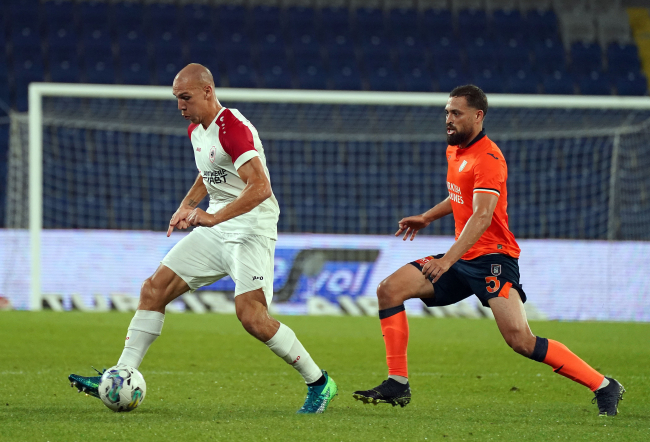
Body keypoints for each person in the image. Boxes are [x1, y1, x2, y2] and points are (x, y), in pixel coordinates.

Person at [69, 63, 338, 414]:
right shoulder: (196, 130)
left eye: (186, 97)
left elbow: (260, 187)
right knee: (154, 289)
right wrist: (187, 205)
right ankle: (121, 375)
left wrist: (211, 216)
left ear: (208, 92)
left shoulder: (233, 128)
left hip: (250, 230)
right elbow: (208, 172)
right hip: (218, 229)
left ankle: (319, 382)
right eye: (176, 98)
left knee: (252, 317)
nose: (180, 105)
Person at [352, 85, 625, 416]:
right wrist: (427, 217)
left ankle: (604, 385)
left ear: (478, 115)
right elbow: (460, 196)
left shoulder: (489, 158)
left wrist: (447, 259)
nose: (448, 119)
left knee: (521, 340)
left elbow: (482, 216)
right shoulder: (455, 150)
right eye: (447, 113)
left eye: (456, 113)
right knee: (389, 290)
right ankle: (398, 382)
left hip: (494, 259)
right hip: (461, 257)